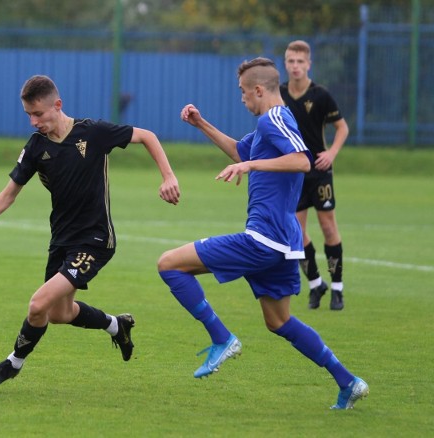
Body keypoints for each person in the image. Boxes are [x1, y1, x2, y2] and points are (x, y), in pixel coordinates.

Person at [157, 57, 368, 409]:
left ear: (258, 90)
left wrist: (250, 164)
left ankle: (221, 339)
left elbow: (302, 160)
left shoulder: (274, 119)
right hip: (283, 243)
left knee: (169, 264)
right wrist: (201, 124)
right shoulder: (269, 125)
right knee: (278, 320)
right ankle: (348, 381)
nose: (241, 99)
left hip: (264, 238)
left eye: (243, 93)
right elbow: (242, 151)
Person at [0, 75, 180, 386]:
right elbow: (9, 193)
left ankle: (12, 364)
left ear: (57, 106)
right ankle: (117, 326)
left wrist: (168, 176)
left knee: (38, 304)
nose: (33, 122)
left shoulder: (94, 132)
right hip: (62, 239)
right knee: (60, 313)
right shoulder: (36, 147)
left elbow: (148, 136)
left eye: (38, 114)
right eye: (28, 115)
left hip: (96, 239)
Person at [280, 40, 350, 311]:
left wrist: (331, 153)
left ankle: (337, 288)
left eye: (300, 62)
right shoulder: (280, 93)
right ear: (285, 64)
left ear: (309, 64)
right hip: (294, 173)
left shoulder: (321, 95)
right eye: (291, 61)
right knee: (296, 232)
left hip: (319, 172)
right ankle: (315, 283)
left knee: (328, 227)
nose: (296, 66)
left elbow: (342, 128)